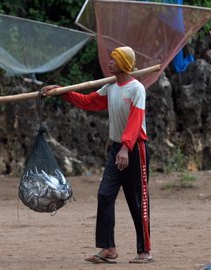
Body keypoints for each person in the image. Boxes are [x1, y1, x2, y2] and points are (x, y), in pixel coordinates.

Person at [42, 46, 153, 264]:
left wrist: (126, 148)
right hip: (116, 149)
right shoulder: (111, 86)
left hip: (135, 149)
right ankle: (108, 248)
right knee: (104, 195)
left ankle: (145, 250)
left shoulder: (137, 89)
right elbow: (91, 101)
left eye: (113, 60)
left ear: (122, 64)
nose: (109, 63)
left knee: (138, 202)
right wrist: (64, 92)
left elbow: (135, 121)